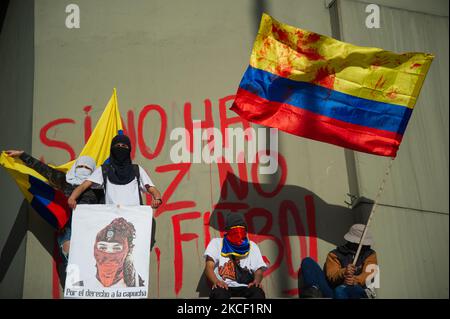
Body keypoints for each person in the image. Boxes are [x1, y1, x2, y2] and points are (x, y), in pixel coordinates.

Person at [4, 150, 102, 265]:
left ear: (93, 171)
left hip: (89, 231)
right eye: (80, 166)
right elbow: (44, 170)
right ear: (75, 167)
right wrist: (22, 155)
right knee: (72, 263)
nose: (83, 169)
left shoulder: (98, 190)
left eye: (87, 168)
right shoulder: (64, 181)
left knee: (89, 266)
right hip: (68, 229)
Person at [68, 134, 162, 209]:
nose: (120, 148)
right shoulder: (104, 170)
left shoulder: (136, 170)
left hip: (134, 218)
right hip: (111, 219)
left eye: (124, 146)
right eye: (117, 146)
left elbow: (152, 189)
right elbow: (84, 185)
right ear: (112, 150)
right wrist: (72, 198)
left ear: (129, 150)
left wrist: (157, 199)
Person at [299, 224, 378, 299]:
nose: (367, 246)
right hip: (333, 290)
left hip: (357, 290)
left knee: (341, 290)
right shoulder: (334, 254)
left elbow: (369, 275)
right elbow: (332, 275)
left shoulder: (370, 254)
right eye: (364, 244)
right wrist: (344, 272)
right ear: (353, 243)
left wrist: (355, 280)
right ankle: (313, 291)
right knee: (307, 262)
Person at [204, 213, 267, 299]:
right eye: (234, 230)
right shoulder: (216, 243)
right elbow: (209, 267)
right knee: (219, 294)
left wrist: (256, 281)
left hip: (246, 286)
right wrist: (216, 281)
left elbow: (258, 270)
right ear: (227, 231)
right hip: (224, 286)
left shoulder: (252, 246)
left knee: (258, 293)